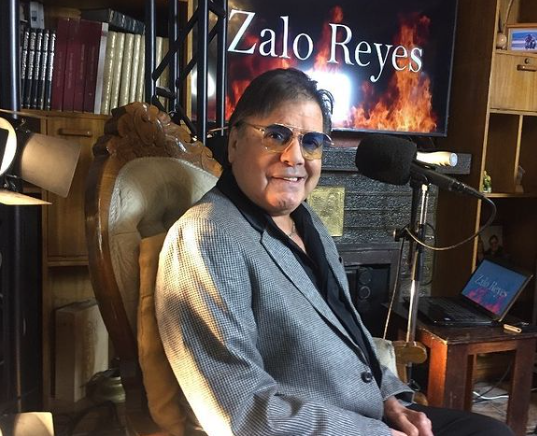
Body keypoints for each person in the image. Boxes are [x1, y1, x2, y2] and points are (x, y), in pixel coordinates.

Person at [156, 68, 514, 436]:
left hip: (369, 410)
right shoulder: (206, 237)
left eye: (311, 141)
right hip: (320, 428)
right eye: (276, 135)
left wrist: (391, 399)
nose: (295, 157)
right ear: (234, 142)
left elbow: (349, 327)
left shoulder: (305, 219)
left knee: (493, 433)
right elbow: (242, 411)